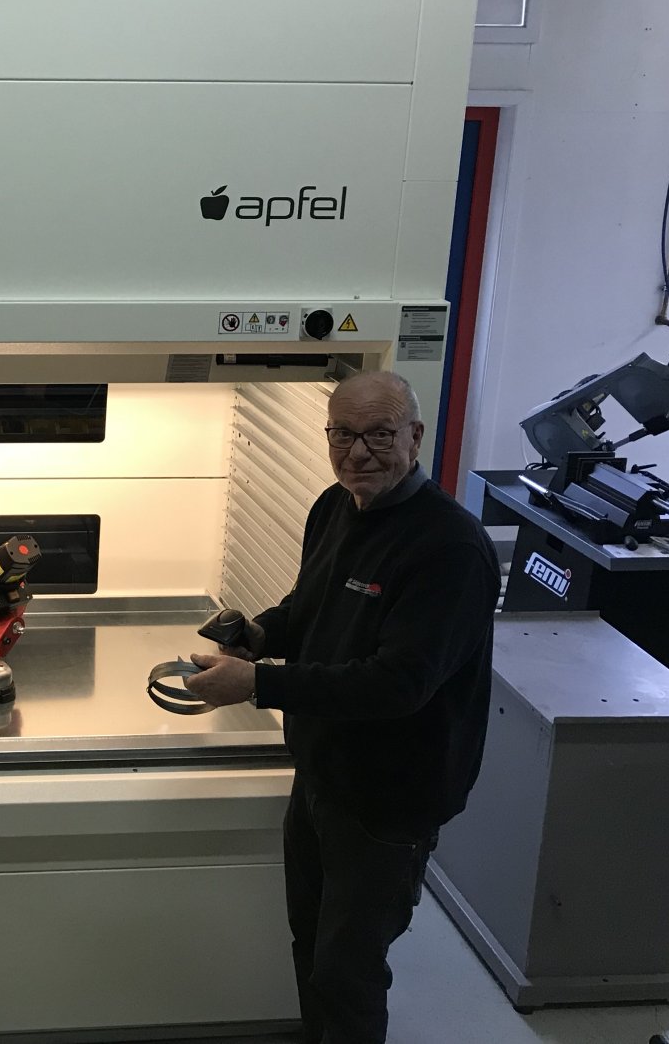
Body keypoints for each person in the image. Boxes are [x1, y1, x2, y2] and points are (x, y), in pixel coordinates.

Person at [183, 371, 498, 1044]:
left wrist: (258, 684)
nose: (359, 453)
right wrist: (259, 635)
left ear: (415, 436)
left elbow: (398, 684)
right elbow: (312, 606)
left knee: (348, 972)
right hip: (322, 776)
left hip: (388, 802)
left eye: (380, 435)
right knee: (311, 945)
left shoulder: (449, 548)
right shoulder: (334, 506)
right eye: (343, 435)